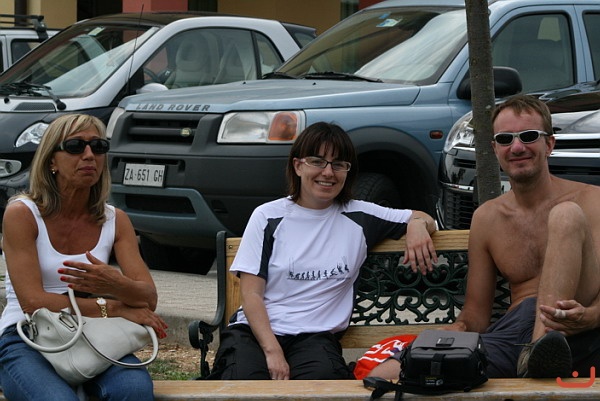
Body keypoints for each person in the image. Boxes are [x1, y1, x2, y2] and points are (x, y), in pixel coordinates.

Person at [370, 94, 600, 380]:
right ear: (495, 149)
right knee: (385, 374)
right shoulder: (487, 218)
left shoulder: (593, 201)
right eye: (505, 139)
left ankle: (541, 349)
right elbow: (475, 316)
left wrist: (592, 317)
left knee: (566, 215)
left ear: (549, 144)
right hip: (515, 336)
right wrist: (452, 332)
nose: (517, 147)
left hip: (584, 328)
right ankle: (536, 356)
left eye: (529, 136)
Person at [208, 122, 438, 380]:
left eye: (338, 164)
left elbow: (422, 217)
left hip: (314, 338)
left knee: (322, 383)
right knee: (243, 381)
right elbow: (251, 294)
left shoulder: (361, 216)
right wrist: (273, 352)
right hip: (255, 333)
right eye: (317, 161)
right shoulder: (267, 216)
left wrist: (417, 225)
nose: (328, 172)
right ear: (298, 166)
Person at [0, 114, 168, 400]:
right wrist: (113, 307)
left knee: (134, 391)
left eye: (98, 146)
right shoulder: (22, 214)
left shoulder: (116, 220)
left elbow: (148, 298)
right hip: (27, 335)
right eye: (75, 146)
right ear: (51, 161)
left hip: (93, 334)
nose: (89, 155)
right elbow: (33, 302)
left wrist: (116, 284)